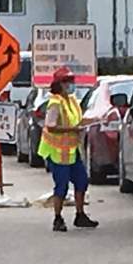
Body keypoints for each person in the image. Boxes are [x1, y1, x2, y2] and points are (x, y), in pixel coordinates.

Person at [38, 66, 99, 232]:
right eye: (68, 82)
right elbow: (50, 126)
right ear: (60, 84)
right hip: (56, 152)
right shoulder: (55, 103)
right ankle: (57, 218)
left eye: (72, 81)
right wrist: (72, 130)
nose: (72, 85)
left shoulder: (71, 100)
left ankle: (80, 215)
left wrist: (96, 120)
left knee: (81, 181)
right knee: (62, 186)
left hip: (71, 150)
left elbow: (77, 120)